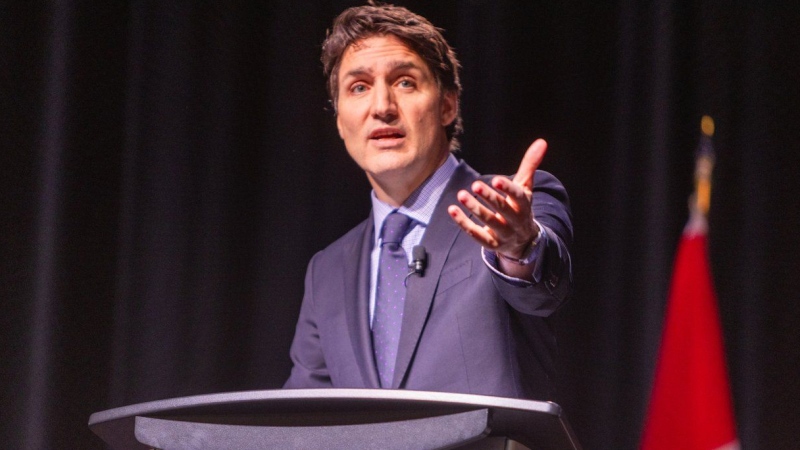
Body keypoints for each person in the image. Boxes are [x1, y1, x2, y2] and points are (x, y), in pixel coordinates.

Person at [284, 3, 573, 401]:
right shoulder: (327, 271)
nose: (382, 107)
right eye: (359, 87)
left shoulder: (509, 208)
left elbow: (541, 288)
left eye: (404, 82)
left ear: (447, 105)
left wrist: (519, 248)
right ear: (340, 120)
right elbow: (301, 420)